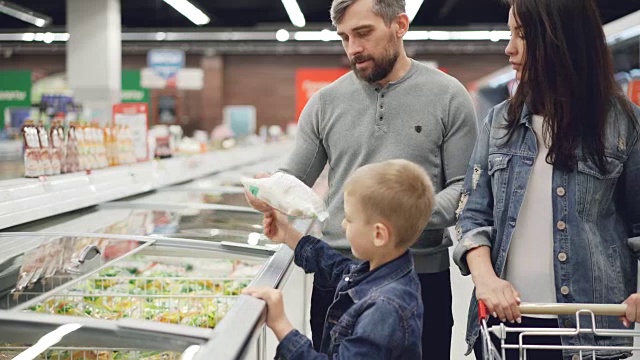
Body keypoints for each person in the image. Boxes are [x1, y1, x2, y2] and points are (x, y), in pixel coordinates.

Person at [245, 0, 478, 357]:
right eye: (344, 37)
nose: (353, 48)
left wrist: (397, 217)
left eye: (364, 33)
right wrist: (269, 191)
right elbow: (294, 178)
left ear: (400, 25)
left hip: (423, 277)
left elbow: (465, 190)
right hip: (339, 276)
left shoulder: (448, 96)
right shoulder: (325, 103)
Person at [452, 0, 640, 359]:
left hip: (591, 329)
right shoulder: (499, 123)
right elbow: (472, 215)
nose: (509, 48)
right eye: (511, 34)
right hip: (508, 329)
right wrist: (486, 280)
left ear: (561, 39)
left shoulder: (625, 125)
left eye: (522, 35)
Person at [243, 159, 434, 359]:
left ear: (379, 234)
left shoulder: (384, 309)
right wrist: (288, 234)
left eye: (349, 219)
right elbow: (337, 268)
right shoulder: (388, 272)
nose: (343, 224)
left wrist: (281, 325)